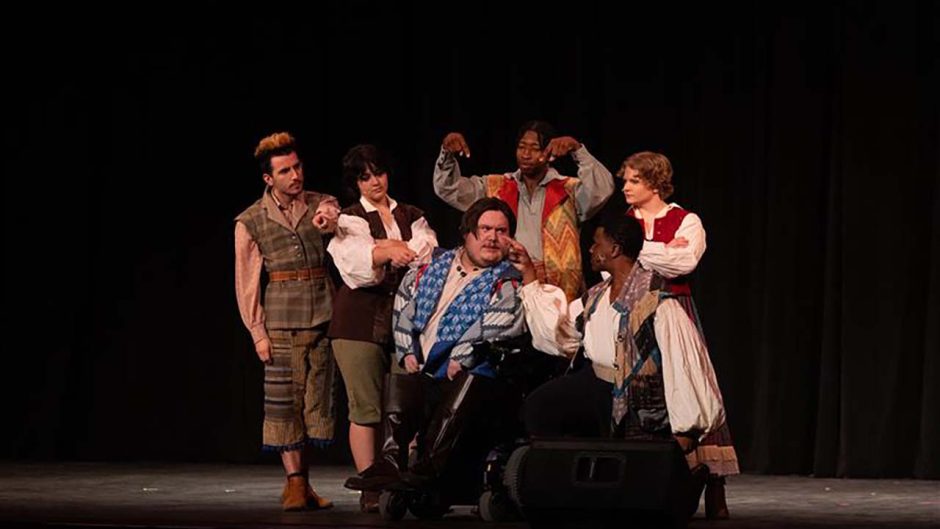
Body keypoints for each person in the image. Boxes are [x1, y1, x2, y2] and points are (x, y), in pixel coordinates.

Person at [344, 197, 527, 492]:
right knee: (401, 380)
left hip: (474, 374)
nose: (493, 237)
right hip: (427, 367)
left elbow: (502, 323)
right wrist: (405, 351)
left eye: (502, 231)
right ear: (468, 233)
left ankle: (429, 466)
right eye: (486, 229)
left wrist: (464, 354)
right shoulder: (432, 266)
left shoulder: (507, 280)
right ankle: (391, 461)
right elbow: (404, 305)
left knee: (472, 377)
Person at [621, 151, 738, 519]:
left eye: (633, 180)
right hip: (634, 315)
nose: (625, 186)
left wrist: (641, 252)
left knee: (692, 394)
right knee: (644, 397)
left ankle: (713, 486)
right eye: (625, 180)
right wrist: (659, 253)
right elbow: (614, 267)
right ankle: (649, 483)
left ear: (654, 184)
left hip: (674, 313)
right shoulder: (624, 221)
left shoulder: (685, 220)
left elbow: (684, 262)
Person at [326, 144, 438, 511]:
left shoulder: (411, 213)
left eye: (379, 173)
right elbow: (357, 266)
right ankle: (371, 486)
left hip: (406, 319)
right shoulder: (349, 218)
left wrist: (388, 247)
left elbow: (426, 253)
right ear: (355, 182)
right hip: (358, 321)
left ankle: (403, 481)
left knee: (405, 405)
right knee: (366, 407)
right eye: (365, 176)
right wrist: (386, 251)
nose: (374, 182)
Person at [234, 132, 338, 511]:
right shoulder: (250, 220)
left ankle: (304, 484)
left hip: (323, 314)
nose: (295, 175)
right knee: (283, 404)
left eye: (297, 167)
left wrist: (328, 217)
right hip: (280, 321)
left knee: (315, 403)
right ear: (268, 178)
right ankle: (294, 484)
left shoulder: (320, 203)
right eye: (285, 170)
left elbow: (332, 220)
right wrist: (257, 332)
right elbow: (246, 281)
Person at [433, 120, 614, 301]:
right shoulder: (497, 187)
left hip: (558, 291)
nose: (526, 154)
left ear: (548, 151)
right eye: (522, 147)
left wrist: (577, 150)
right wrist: (447, 155)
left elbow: (602, 189)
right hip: (506, 285)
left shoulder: (568, 190)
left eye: (535, 148)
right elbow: (448, 188)